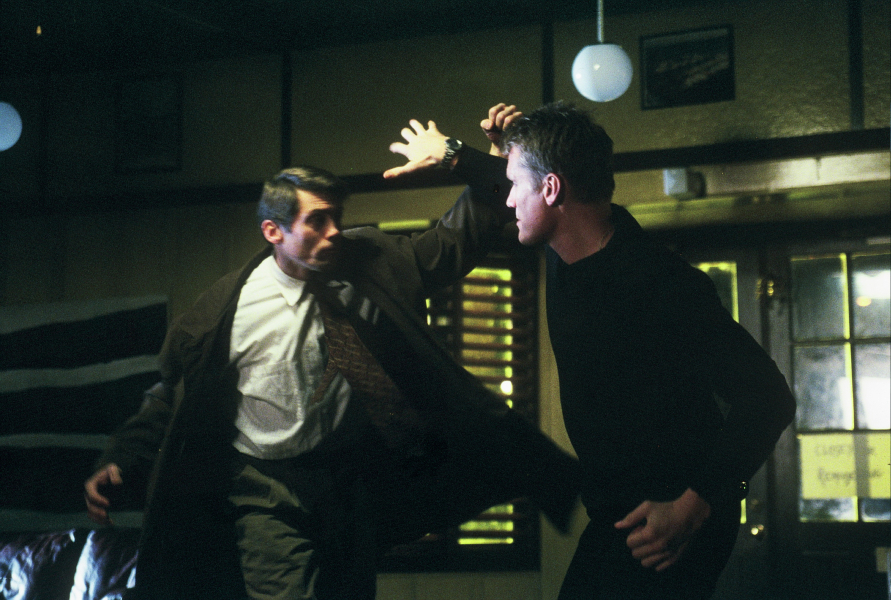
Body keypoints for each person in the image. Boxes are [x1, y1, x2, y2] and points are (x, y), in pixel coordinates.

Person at [84, 110, 581, 600]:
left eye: (335, 218)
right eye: (316, 222)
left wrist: (488, 161)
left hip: (347, 479)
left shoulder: (367, 263)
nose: (333, 232)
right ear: (273, 232)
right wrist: (122, 455)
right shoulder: (228, 310)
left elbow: (452, 244)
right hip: (263, 484)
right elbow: (175, 392)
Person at [386, 101, 797, 600]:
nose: (507, 200)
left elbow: (769, 397)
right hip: (614, 513)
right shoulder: (569, 237)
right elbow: (520, 184)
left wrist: (695, 505)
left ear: (551, 189)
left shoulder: (660, 284)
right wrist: (456, 154)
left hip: (668, 519)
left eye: (515, 185)